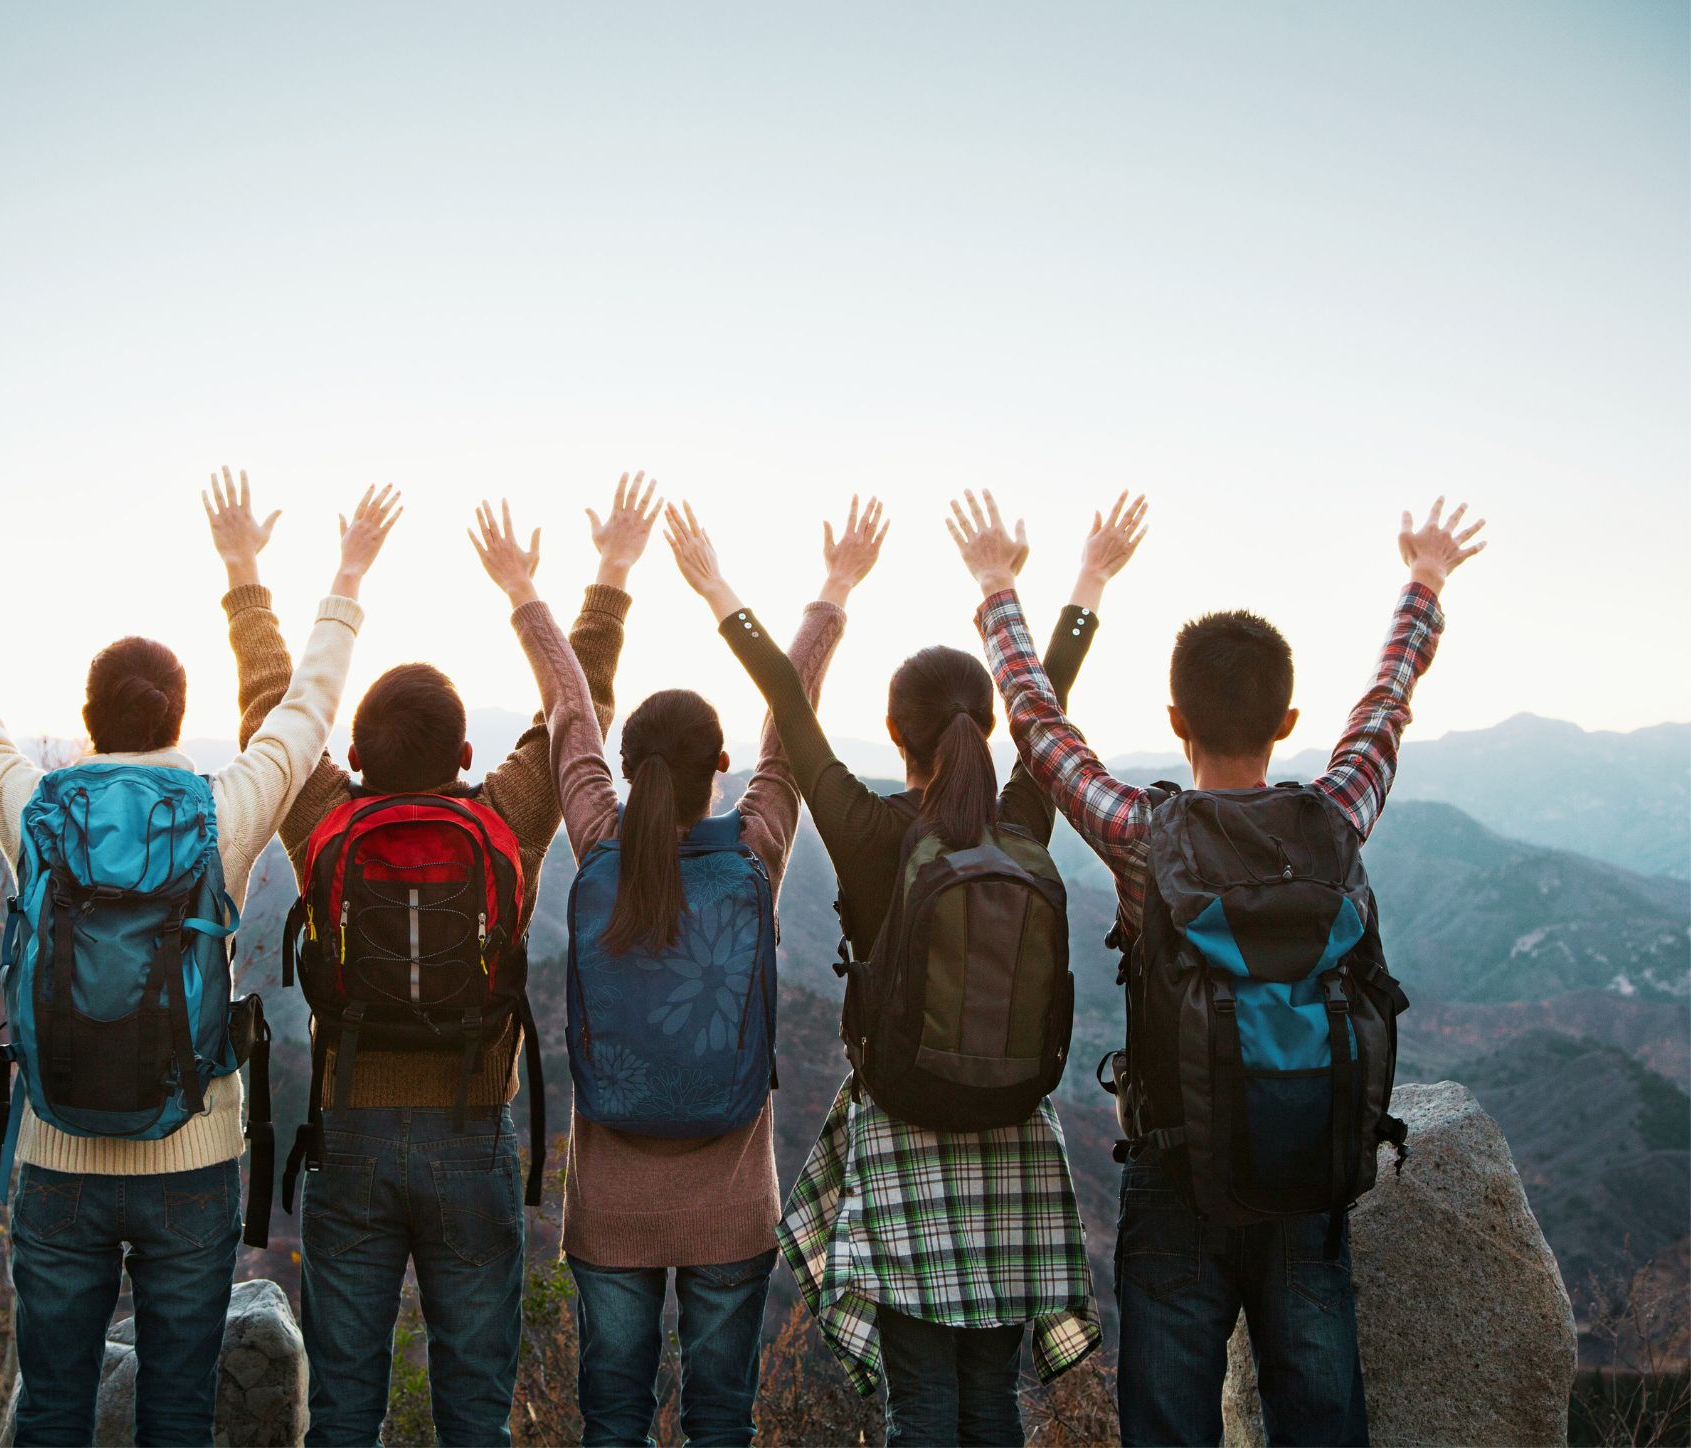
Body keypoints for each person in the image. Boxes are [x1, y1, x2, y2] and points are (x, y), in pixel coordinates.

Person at [956, 490, 1486, 1447]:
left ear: (1174, 716)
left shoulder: (1144, 837)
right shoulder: (1336, 817)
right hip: (1309, 1173)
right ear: (1287, 720)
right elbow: (1385, 708)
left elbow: (1038, 729)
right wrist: (1427, 580)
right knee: (1319, 1422)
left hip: (1177, 1174)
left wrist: (999, 587)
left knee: (1170, 1426)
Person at [0, 483, 390, 1447]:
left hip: (58, 1151)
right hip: (194, 1159)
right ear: (179, 716)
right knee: (174, 1415)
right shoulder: (223, 812)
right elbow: (305, 709)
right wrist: (347, 575)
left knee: (52, 1408)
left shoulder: (35, 810)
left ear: (87, 717)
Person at [210, 470, 659, 1447]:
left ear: (355, 755)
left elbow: (270, 712)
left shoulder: (324, 810)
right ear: (464, 750)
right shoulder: (503, 815)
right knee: (471, 1409)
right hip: (471, 1128)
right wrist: (604, 575)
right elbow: (574, 711)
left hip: (352, 1134)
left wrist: (247, 571)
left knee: (341, 1410)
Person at [719, 496, 1142, 1446]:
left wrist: (734, 590)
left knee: (922, 1407)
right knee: (991, 1403)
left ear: (893, 730)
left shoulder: (873, 835)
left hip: (903, 1137)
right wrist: (1083, 585)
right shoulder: (1021, 823)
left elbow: (789, 711)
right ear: (991, 728)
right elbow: (1052, 709)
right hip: (1014, 1139)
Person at [470, 496, 875, 1448]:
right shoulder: (757, 850)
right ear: (721, 769)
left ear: (627, 766)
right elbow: (793, 721)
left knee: (611, 1414)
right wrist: (834, 590)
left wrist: (531, 592)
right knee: (721, 1417)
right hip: (732, 1203)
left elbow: (570, 714)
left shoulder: (598, 841)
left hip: (611, 1206)